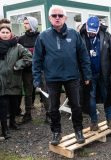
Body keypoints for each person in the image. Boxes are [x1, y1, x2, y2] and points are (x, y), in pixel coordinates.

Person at [32, 5, 92, 145]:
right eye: (54, 15)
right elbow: (36, 60)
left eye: (60, 15)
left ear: (65, 18)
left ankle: (78, 131)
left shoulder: (74, 34)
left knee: (76, 106)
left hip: (72, 77)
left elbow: (83, 56)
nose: (57, 18)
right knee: (53, 107)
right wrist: (36, 80)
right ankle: (56, 132)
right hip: (52, 78)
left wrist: (87, 75)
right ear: (49, 18)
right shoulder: (43, 36)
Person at [79, 16, 111, 131]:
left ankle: (110, 119)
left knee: (107, 96)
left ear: (98, 28)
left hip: (103, 73)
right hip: (88, 75)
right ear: (86, 27)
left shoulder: (106, 36)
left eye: (94, 32)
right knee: (91, 98)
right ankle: (94, 121)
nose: (91, 34)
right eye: (90, 31)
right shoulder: (80, 36)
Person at [0, 24, 32, 139]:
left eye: (7, 32)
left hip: (14, 80)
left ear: (10, 34)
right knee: (3, 107)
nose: (4, 34)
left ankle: (12, 123)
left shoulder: (17, 46)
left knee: (14, 105)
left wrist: (18, 65)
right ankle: (5, 129)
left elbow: (28, 57)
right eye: (2, 32)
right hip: (1, 82)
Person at [18, 16, 40, 123]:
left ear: (32, 24)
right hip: (27, 71)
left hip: (40, 69)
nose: (24, 25)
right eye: (24, 23)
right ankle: (27, 114)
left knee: (44, 90)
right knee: (28, 92)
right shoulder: (21, 39)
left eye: (27, 23)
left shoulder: (41, 37)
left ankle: (49, 115)